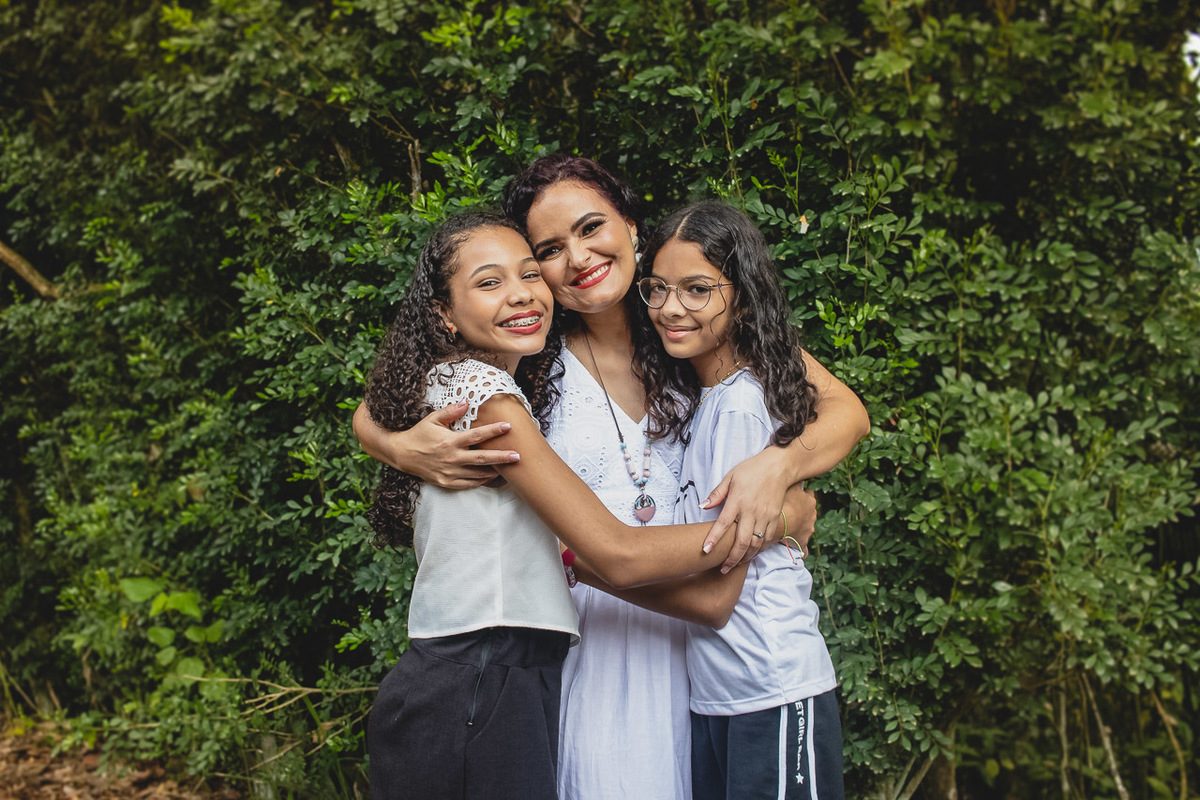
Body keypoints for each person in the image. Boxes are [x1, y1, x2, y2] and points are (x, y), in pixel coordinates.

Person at [355, 155, 870, 799]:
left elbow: (846, 410)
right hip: (580, 645)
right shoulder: (530, 358)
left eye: (591, 227)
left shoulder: (690, 329)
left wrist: (781, 468)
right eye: (548, 248)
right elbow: (387, 398)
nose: (576, 257)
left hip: (692, 652)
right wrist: (398, 447)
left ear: (630, 227)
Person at [639, 201, 845, 798]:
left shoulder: (739, 403)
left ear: (745, 299)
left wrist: (583, 565)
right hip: (723, 692)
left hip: (772, 684)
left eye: (698, 289)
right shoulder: (703, 400)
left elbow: (714, 593)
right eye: (658, 289)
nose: (671, 308)